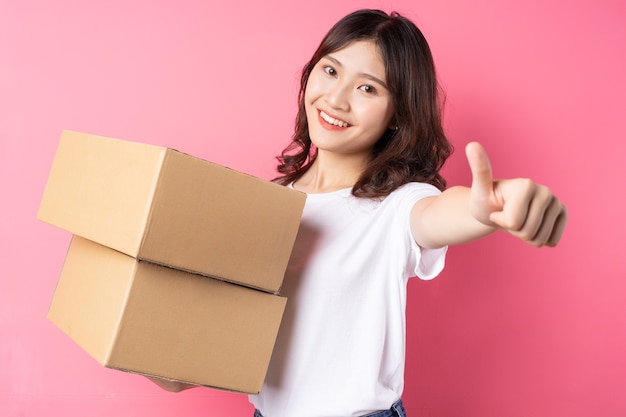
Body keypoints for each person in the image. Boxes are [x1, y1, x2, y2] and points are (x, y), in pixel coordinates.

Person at [149, 9, 567, 417]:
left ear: (397, 116)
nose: (336, 98)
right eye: (330, 71)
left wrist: (487, 208)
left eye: (367, 88)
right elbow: (219, 346)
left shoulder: (396, 204)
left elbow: (438, 214)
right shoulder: (267, 203)